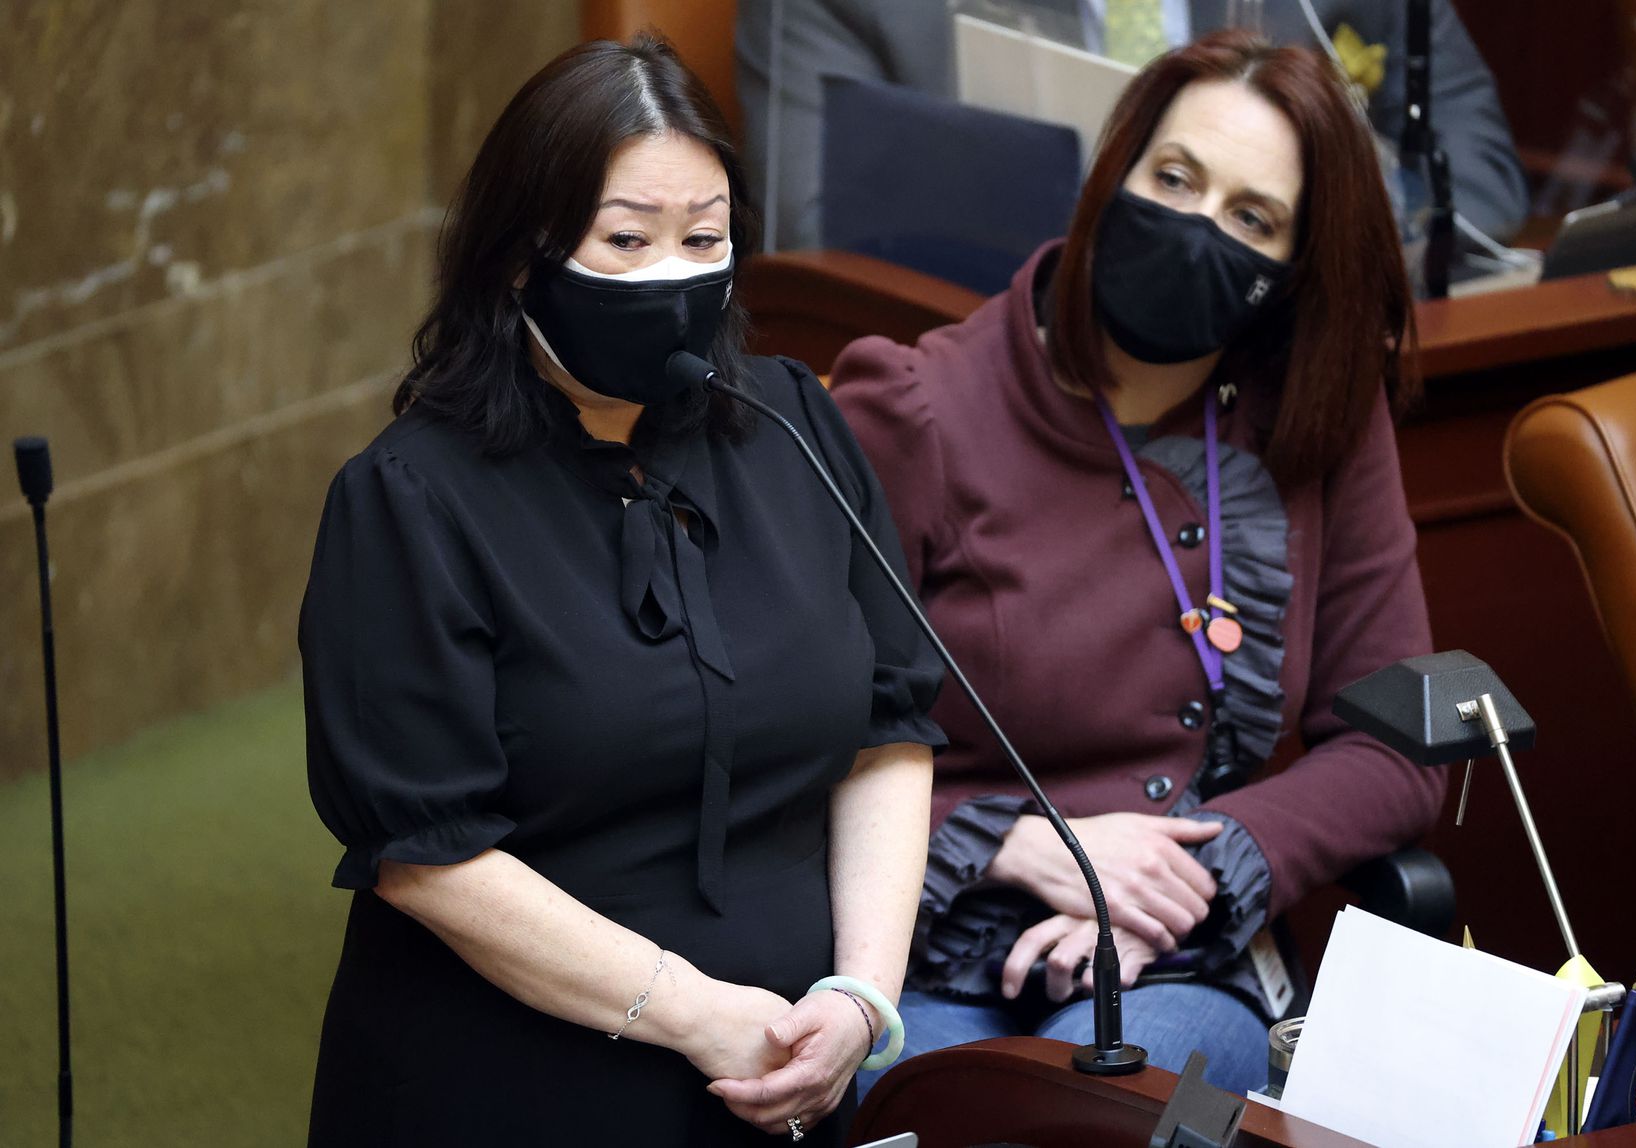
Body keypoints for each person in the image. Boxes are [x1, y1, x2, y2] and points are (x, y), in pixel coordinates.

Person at [298, 35, 943, 1146]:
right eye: (625, 241)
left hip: (793, 1067)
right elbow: (426, 854)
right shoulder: (407, 500)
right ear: (519, 258)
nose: (669, 278)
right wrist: (696, 1016)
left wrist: (861, 997)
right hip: (518, 1073)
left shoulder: (792, 422)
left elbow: (888, 728)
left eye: (704, 240)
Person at [829, 30, 1446, 1097]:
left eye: (1252, 217)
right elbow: (779, 743)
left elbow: (1399, 745)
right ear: (1112, 175)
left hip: (1176, 964)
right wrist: (1018, 843)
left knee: (1144, 1093)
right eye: (1173, 177)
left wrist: (1203, 861)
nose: (1197, 226)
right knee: (957, 1107)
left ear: (1291, 272)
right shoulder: (916, 411)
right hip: (917, 943)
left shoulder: (1315, 417)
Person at [735, 0, 1526, 250]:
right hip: (1023, 416)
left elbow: (1479, 171)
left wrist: (1309, 251)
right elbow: (817, 243)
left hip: (1318, 379)